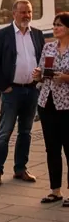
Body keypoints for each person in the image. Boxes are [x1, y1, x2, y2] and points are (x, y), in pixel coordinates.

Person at [0, 0, 44, 185]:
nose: (27, 15)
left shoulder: (37, 34)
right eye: (23, 12)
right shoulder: (2, 34)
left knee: (26, 132)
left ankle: (21, 169)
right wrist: (4, 86)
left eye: (29, 12)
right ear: (14, 14)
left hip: (32, 90)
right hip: (11, 91)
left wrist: (40, 77)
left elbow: (42, 59)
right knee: (5, 132)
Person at [33, 12, 69, 206]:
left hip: (67, 105)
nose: (55, 28)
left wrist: (65, 78)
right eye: (54, 25)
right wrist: (37, 75)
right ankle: (55, 190)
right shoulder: (48, 47)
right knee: (52, 149)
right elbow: (41, 73)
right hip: (47, 103)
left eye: (60, 25)